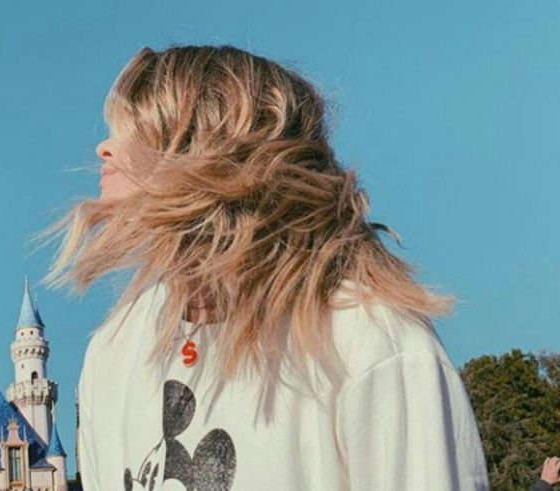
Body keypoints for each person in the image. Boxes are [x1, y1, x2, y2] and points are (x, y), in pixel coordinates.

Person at [36, 45, 490, 490]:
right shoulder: (114, 351)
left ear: (209, 154)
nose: (103, 148)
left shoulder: (370, 342)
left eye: (135, 128)